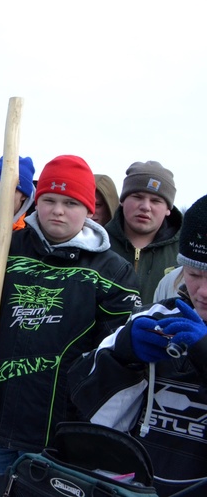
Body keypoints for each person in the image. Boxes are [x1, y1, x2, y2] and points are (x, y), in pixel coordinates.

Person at [0, 155, 141, 497]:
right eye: (49, 200)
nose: (57, 211)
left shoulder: (113, 273)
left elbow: (116, 354)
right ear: (36, 201)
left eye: (70, 203)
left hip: (60, 441)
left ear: (89, 209)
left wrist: (80, 413)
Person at [70, 193, 207, 495]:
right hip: (138, 486)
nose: (203, 291)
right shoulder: (158, 316)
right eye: (195, 274)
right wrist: (122, 354)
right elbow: (87, 408)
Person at [106, 161, 183, 303]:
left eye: (156, 201)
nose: (145, 207)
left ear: (168, 209)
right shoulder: (98, 244)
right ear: (122, 200)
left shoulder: (184, 253)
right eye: (137, 197)